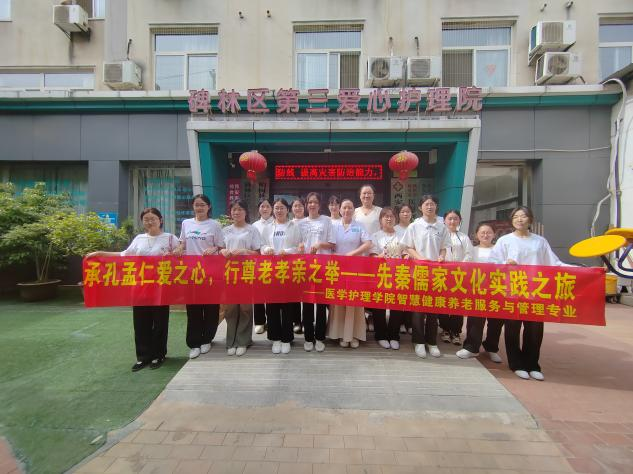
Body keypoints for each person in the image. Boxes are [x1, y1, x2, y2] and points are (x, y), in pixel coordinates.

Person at [86, 208, 177, 372]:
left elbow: (182, 257)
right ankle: (143, 357)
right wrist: (100, 253)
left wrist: (175, 255)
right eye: (146, 219)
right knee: (141, 322)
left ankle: (159, 355)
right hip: (141, 287)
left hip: (161, 287)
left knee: (160, 322)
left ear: (161, 220)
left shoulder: (170, 238)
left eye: (153, 218)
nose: (150, 222)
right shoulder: (139, 239)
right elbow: (124, 255)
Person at [489, 206, 570, 381]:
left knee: (534, 329)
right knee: (512, 328)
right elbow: (493, 262)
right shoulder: (505, 241)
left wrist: (584, 270)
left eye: (523, 216)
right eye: (516, 217)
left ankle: (532, 364)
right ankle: (516, 364)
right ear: (512, 221)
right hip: (512, 291)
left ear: (530, 220)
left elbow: (554, 263)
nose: (519, 219)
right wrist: (505, 263)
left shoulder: (540, 241)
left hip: (535, 291)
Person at [173, 194, 225, 360]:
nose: (199, 207)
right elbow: (182, 243)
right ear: (193, 207)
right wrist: (179, 249)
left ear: (209, 207)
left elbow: (221, 246)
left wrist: (213, 249)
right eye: (197, 205)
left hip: (210, 272)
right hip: (191, 273)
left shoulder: (215, 225)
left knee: (210, 307)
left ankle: (207, 339)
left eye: (202, 204)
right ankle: (194, 343)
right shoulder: (186, 223)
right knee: (193, 308)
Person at [401, 194, 450, 359]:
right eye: (426, 204)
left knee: (433, 309)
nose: (430, 206)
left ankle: (432, 342)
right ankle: (418, 341)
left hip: (436, 273)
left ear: (436, 206)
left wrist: (442, 256)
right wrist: (420, 259)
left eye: (432, 204)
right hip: (419, 272)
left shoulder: (442, 227)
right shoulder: (414, 226)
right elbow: (408, 247)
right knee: (418, 309)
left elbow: (444, 247)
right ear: (420, 207)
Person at [327, 198, 373, 348]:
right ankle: (340, 334)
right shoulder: (333, 226)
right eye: (344, 208)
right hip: (337, 269)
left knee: (354, 300)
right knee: (339, 301)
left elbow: (368, 243)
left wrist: (353, 254)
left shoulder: (359, 226)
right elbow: (329, 245)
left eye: (350, 208)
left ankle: (353, 335)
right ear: (340, 210)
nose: (347, 210)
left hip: (355, 268)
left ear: (354, 210)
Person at [260, 198, 303, 354]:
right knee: (272, 306)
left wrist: (288, 251)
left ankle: (287, 338)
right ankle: (275, 338)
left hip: (288, 271)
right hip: (271, 271)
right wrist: (267, 250)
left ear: (287, 210)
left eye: (282, 208)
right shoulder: (268, 227)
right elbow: (262, 245)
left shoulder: (294, 226)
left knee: (287, 306)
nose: (279, 210)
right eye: (276, 208)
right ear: (273, 210)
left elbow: (299, 247)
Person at [456, 222, 504, 363]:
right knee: (475, 319)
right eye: (482, 232)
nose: (485, 235)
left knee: (496, 321)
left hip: (496, 289)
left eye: (488, 232)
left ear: (494, 234)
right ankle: (471, 347)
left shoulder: (500, 250)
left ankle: (491, 348)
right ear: (477, 235)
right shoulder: (472, 250)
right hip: (477, 289)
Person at [220, 200, 262, 357]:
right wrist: (222, 251)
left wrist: (245, 251)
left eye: (239, 209)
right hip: (229, 272)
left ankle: (243, 341)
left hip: (246, 272)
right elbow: (219, 248)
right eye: (234, 209)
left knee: (245, 307)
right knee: (230, 307)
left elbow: (258, 253)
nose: (236, 212)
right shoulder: (225, 230)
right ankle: (231, 341)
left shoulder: (252, 230)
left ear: (246, 212)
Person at [299, 192, 336, 352]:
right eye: (309, 202)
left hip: (322, 267)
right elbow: (296, 243)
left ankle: (320, 337)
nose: (312, 205)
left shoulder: (327, 221)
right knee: (307, 304)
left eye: (315, 202)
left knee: (321, 304)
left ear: (320, 205)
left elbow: (332, 243)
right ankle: (308, 337)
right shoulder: (301, 223)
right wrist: (300, 247)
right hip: (306, 268)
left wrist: (320, 244)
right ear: (306, 205)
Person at [369, 207, 407, 350]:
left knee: (396, 306)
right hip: (382, 274)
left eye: (391, 216)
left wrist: (406, 257)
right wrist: (381, 256)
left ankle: (394, 335)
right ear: (380, 220)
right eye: (386, 216)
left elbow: (406, 252)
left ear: (395, 219)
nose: (389, 219)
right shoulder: (375, 236)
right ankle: (381, 335)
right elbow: (372, 256)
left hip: (399, 275)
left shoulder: (402, 235)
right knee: (379, 306)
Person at [438, 210, 474, 346]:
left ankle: (456, 331)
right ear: (444, 221)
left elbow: (469, 254)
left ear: (459, 221)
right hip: (443, 274)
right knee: (443, 302)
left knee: (457, 303)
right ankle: (445, 329)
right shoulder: (439, 236)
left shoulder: (463, 237)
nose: (452, 221)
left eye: (455, 219)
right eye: (449, 218)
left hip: (459, 275)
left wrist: (460, 267)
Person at [252, 198, 273, 335]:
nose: (265, 209)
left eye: (267, 206)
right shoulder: (254, 225)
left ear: (271, 209)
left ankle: (272, 320)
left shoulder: (276, 223)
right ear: (258, 208)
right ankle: (260, 321)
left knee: (272, 293)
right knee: (258, 293)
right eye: (262, 206)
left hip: (275, 264)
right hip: (258, 263)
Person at [395, 204, 414, 334]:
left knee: (411, 295)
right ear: (399, 214)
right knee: (401, 294)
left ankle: (409, 322)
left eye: (408, 212)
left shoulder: (415, 227)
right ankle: (401, 322)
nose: (405, 214)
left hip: (414, 264)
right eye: (402, 212)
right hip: (400, 266)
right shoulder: (395, 229)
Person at [290, 198, 306, 334]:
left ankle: (307, 320)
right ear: (291, 209)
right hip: (293, 263)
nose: (298, 208)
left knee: (307, 293)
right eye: (295, 206)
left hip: (308, 262)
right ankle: (296, 321)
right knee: (294, 293)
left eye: (300, 205)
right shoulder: (289, 224)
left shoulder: (308, 222)